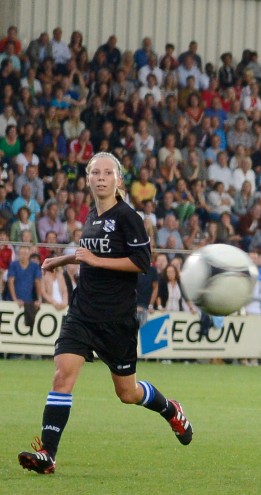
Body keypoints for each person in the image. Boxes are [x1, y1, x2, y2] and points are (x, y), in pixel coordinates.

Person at [18, 153, 192, 475]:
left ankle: (170, 409)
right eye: (95, 172)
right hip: (82, 312)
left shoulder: (128, 217)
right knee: (62, 374)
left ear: (118, 180)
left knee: (127, 393)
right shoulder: (91, 217)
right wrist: (64, 261)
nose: (100, 177)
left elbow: (142, 263)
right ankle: (48, 454)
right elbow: (90, 254)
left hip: (116, 319)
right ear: (87, 179)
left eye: (107, 172)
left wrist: (95, 261)